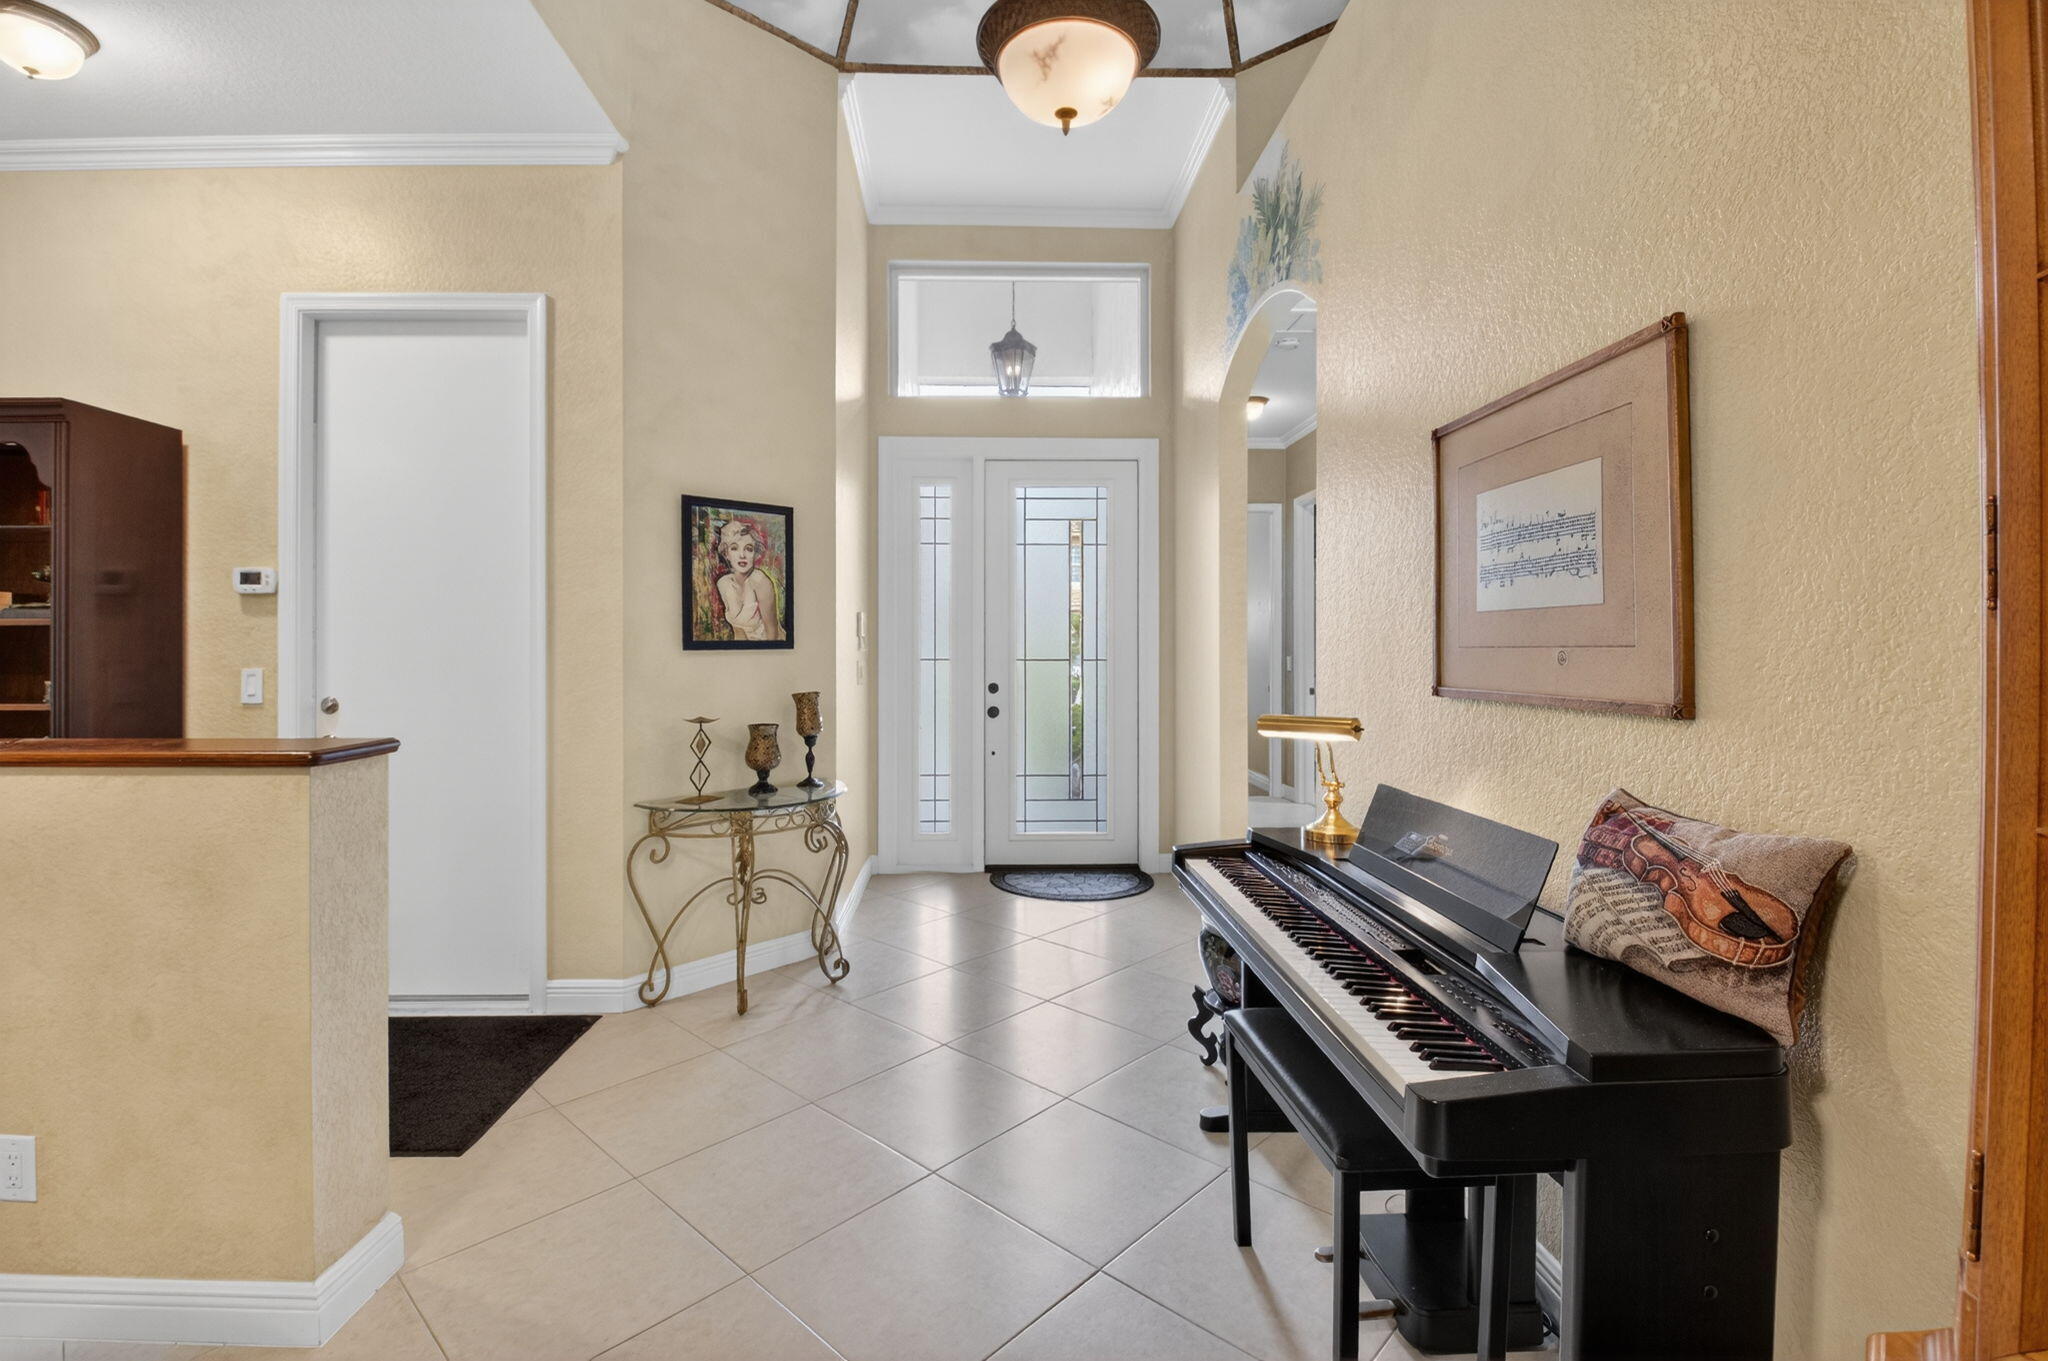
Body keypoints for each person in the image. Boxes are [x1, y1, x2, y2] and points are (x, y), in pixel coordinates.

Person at [713, 517, 782, 641]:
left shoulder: (760, 581)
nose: (742, 555)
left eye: (749, 549)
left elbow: (772, 632)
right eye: (734, 548)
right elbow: (738, 631)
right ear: (726, 553)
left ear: (755, 554)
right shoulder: (723, 583)